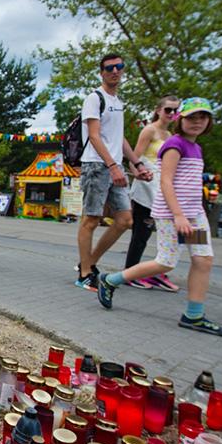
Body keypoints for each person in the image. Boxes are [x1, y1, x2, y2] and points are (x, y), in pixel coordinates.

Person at [96, 97, 222, 336]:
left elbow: (191, 184)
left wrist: (193, 212)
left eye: (203, 117)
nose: (197, 122)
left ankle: (193, 314)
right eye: (191, 117)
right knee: (166, 261)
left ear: (209, 121)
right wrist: (177, 215)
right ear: (181, 119)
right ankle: (110, 280)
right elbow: (166, 181)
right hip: (172, 215)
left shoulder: (196, 148)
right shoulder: (175, 145)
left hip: (193, 216)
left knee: (203, 260)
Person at [75, 52, 153, 291]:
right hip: (96, 165)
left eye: (119, 67)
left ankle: (88, 263)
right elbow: (95, 136)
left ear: (123, 70)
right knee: (91, 219)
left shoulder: (118, 103)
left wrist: (137, 164)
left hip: (115, 165)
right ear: (102, 72)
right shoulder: (94, 98)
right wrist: (111, 165)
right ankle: (85, 274)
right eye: (109, 68)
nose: (114, 71)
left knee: (125, 220)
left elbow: (119, 139)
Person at [123, 96, 181, 291]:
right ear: (158, 110)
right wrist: (138, 173)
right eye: (168, 110)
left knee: (169, 234)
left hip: (163, 187)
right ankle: (130, 272)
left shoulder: (171, 135)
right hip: (147, 187)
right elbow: (133, 157)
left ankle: (157, 271)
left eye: (175, 110)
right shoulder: (149, 130)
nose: (172, 114)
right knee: (142, 232)